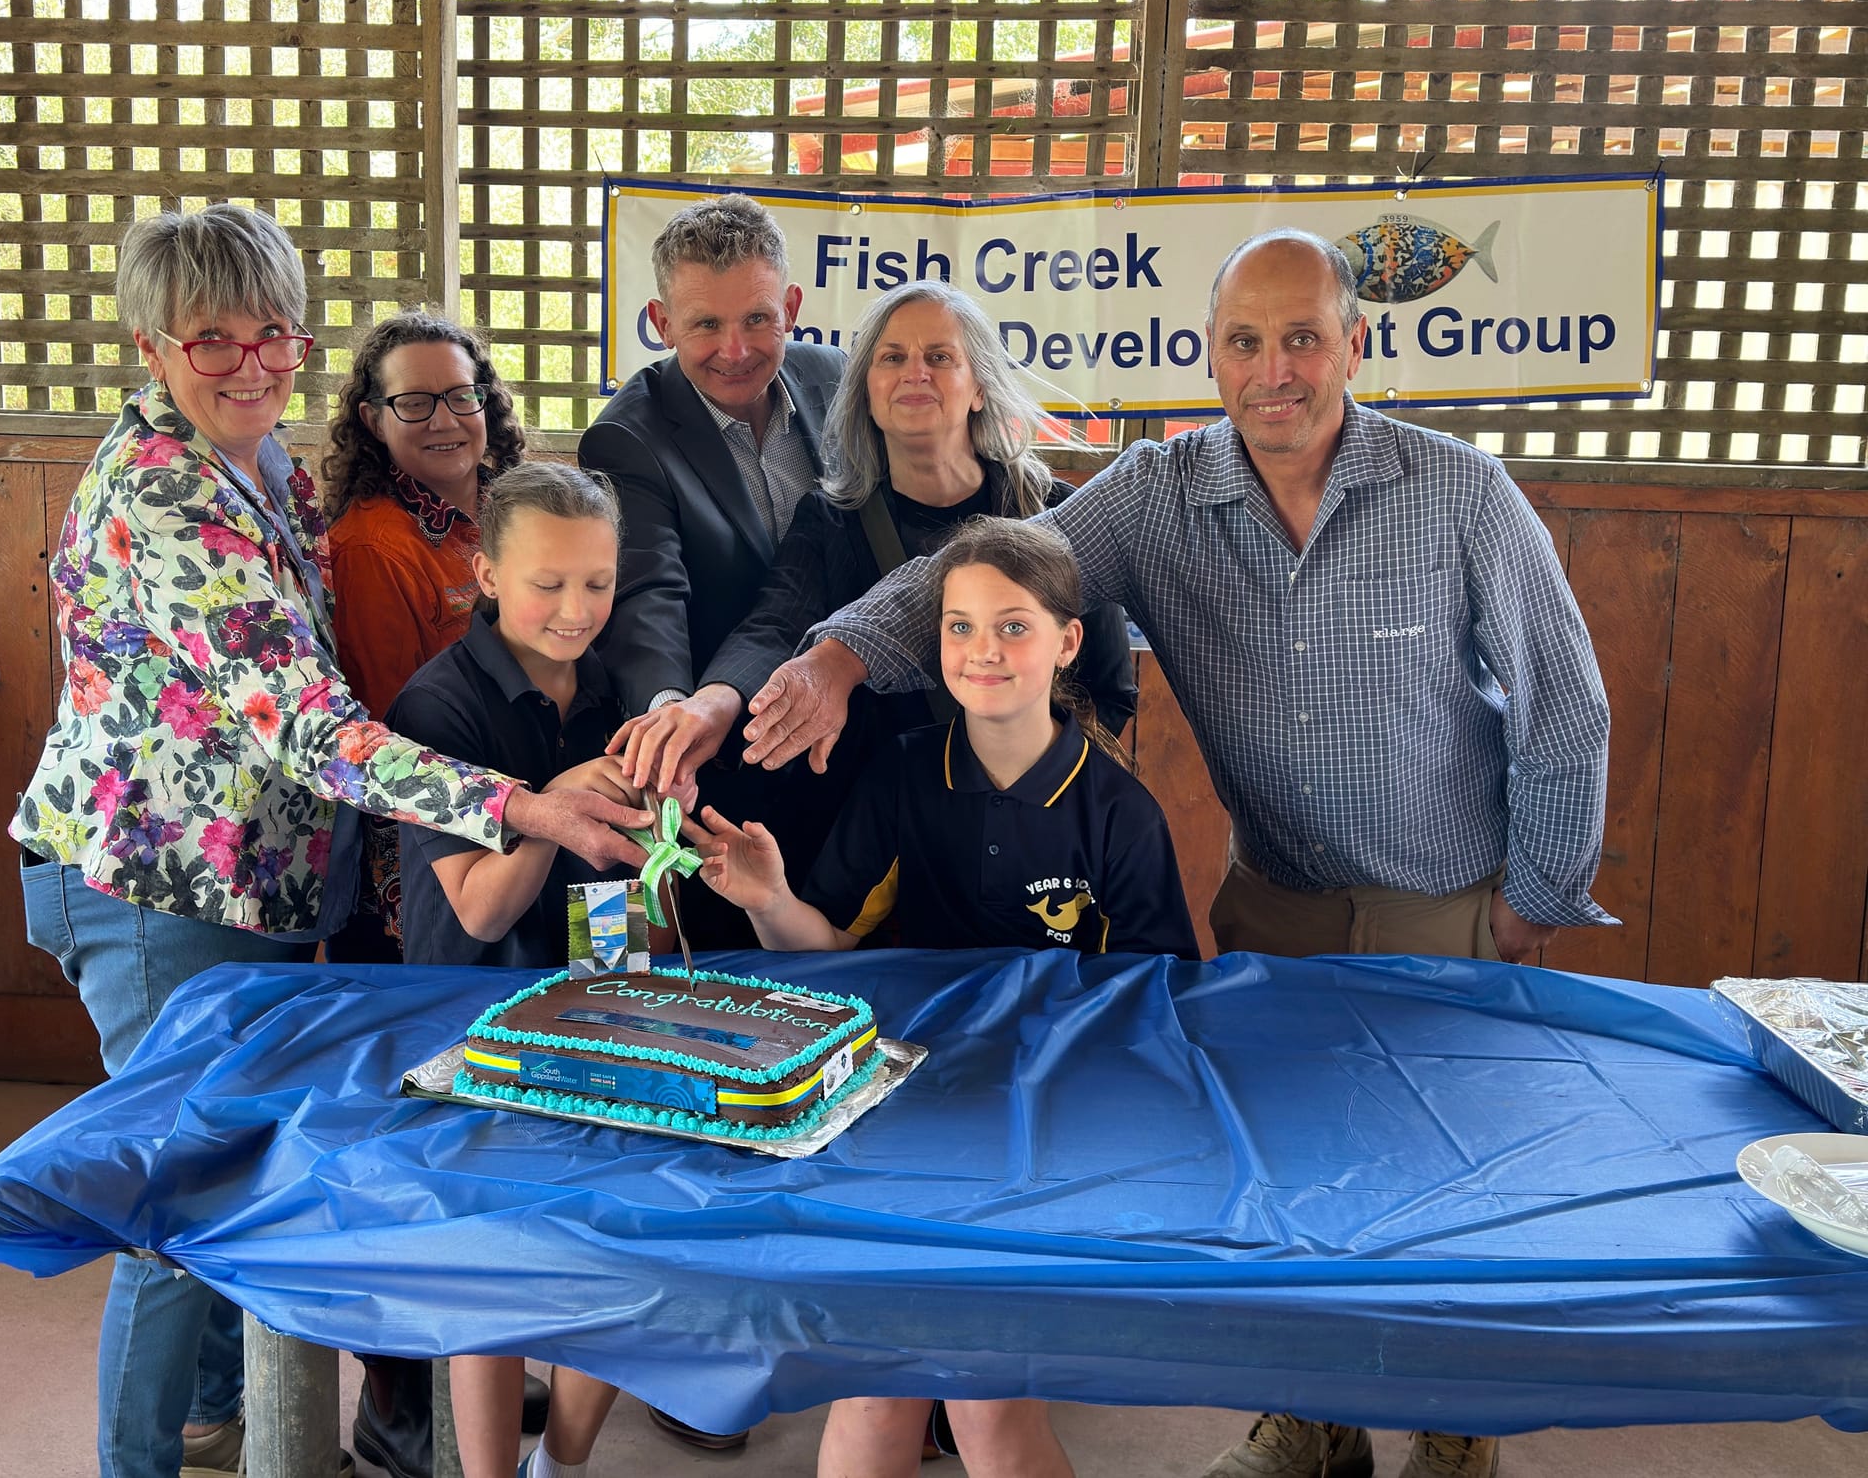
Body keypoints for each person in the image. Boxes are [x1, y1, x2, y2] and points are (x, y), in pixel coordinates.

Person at [739, 227, 1618, 1478]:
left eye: (1302, 337)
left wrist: (1532, 898)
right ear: (1206, 357)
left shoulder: (1458, 491)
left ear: (1353, 346)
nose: (1275, 369)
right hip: (1278, 900)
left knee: (1443, 1180)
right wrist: (833, 657)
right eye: (1245, 341)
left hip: (1453, 901)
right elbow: (986, 572)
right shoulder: (1157, 495)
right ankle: (1307, 1419)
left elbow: (1564, 710)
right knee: (1298, 1175)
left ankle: (1452, 1428)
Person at [10, 205, 647, 1478]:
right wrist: (518, 804)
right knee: (172, 1202)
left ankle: (209, 1417)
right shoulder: (163, 494)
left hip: (241, 885)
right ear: (151, 346)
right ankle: (138, 1458)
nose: (250, 365)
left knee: (224, 1173)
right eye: (213, 342)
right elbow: (306, 723)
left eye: (273, 338)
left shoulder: (264, 464)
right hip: (151, 886)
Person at [696, 516, 1197, 1478]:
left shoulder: (1120, 813)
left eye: (1013, 626)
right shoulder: (900, 775)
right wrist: (772, 900)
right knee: (873, 1395)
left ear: (1068, 642)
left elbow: (1153, 1006)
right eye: (960, 627)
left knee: (987, 1410)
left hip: (1038, 1138)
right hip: (897, 1122)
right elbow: (829, 947)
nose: (983, 651)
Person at [612, 278, 1137, 832]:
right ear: (864, 388)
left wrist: (1030, 787)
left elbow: (1108, 689)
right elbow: (773, 624)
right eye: (892, 357)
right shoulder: (832, 520)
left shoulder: (1054, 512)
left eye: (939, 356)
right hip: (880, 842)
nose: (916, 373)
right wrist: (711, 702)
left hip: (1031, 829)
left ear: (979, 386)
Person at [320, 312, 548, 1478]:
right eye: (415, 402)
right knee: (419, 1157)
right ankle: (398, 1416)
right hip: (410, 873)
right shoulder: (372, 542)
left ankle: (488, 1380)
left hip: (511, 841)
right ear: (372, 418)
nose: (447, 416)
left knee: (500, 1136)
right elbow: (387, 731)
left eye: (461, 392)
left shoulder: (498, 508)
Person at [385, 462, 638, 1478]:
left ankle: (560, 1464)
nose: (575, 610)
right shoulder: (435, 707)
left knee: (620, 1245)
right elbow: (482, 907)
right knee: (488, 1268)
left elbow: (631, 880)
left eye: (596, 582)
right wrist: (557, 800)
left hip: (605, 1003)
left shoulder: (622, 688)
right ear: (486, 573)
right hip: (474, 1020)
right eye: (547, 583)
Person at [579, 191, 848, 962]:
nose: (735, 349)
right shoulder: (627, 436)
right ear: (662, 324)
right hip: (716, 773)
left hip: (849, 749)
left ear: (791, 306)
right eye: (705, 325)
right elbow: (648, 593)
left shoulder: (838, 382)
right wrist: (674, 722)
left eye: (758, 318)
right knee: (714, 991)